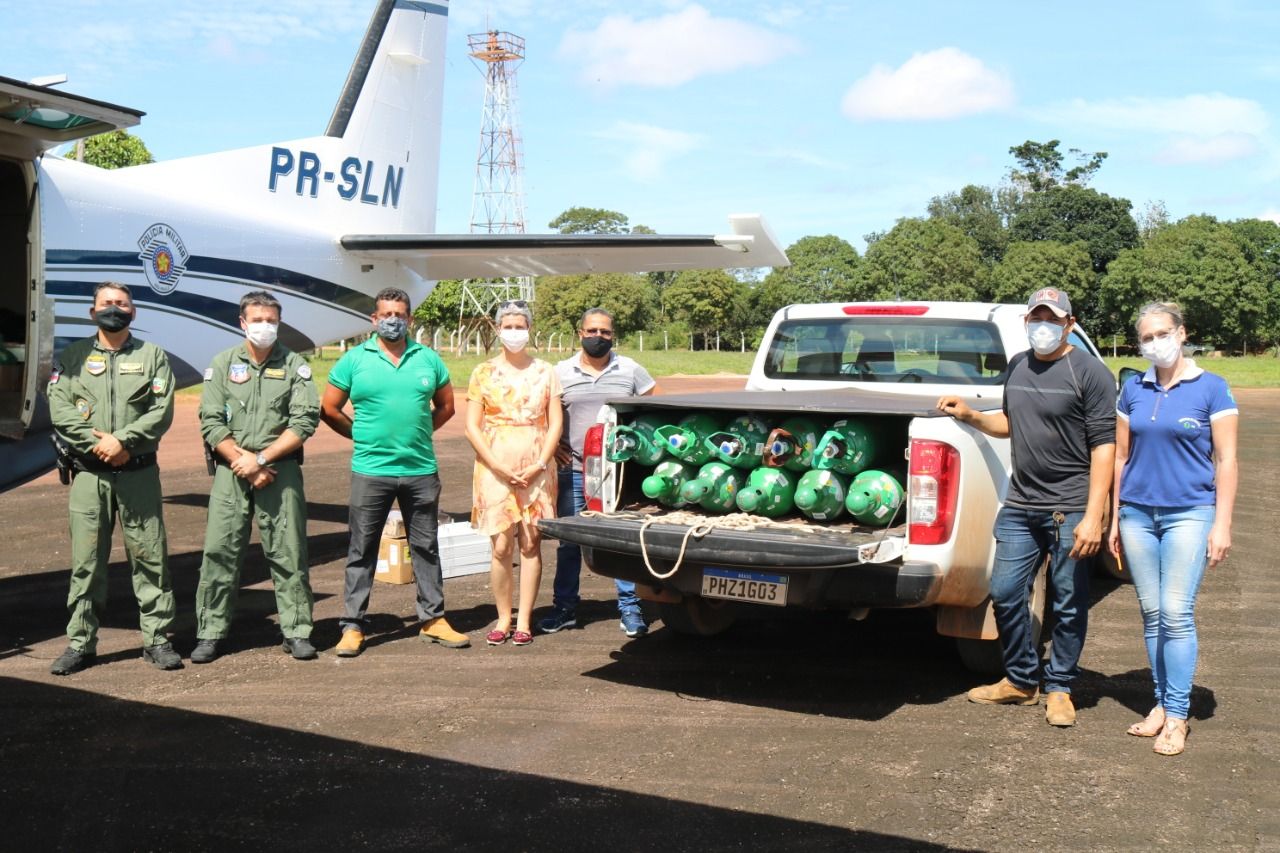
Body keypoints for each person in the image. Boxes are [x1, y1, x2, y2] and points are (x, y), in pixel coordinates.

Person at [937, 287, 1116, 727]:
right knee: (1003, 591)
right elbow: (1011, 421)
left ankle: (1059, 687)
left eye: (1052, 319)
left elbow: (1105, 447)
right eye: (1036, 317)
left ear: (1069, 323)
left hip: (1070, 507)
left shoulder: (1090, 373)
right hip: (1020, 502)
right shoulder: (1018, 365)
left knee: (1069, 601)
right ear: (1026, 322)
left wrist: (1095, 515)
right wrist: (971, 416)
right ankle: (1021, 680)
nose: (1043, 326)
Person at [1108, 302, 1237, 756]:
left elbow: (1227, 460)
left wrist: (1221, 524)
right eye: (1146, 337)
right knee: (1152, 613)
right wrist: (1114, 514)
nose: (1155, 343)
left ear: (1182, 334)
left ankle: (1178, 715)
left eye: (1162, 333)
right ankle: (1161, 704)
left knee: (1176, 613)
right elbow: (1121, 457)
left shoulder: (1212, 389)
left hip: (1190, 513)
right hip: (1137, 515)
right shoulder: (1132, 389)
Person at [320, 287, 468, 655]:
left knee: (426, 546)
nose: (393, 320)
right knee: (361, 548)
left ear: (410, 319)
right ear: (374, 319)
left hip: (420, 469)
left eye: (400, 314)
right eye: (386, 314)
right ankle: (353, 625)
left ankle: (433, 619)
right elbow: (329, 408)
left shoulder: (428, 359)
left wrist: (419, 433)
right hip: (371, 470)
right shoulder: (355, 360)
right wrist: (359, 435)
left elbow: (447, 406)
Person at [46, 282, 181, 674]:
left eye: (122, 304)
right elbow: (61, 410)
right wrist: (99, 445)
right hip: (90, 474)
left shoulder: (153, 356)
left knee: (150, 558)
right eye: (106, 303)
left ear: (133, 313)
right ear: (93, 312)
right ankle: (80, 643)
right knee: (86, 562)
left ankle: (157, 640)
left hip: (138, 474)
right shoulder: (72, 357)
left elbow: (161, 410)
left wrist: (123, 440)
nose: (114, 309)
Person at [191, 291, 321, 663]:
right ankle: (210, 632)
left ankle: (297, 630)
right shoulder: (221, 364)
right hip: (232, 472)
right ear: (242, 323)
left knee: (289, 552)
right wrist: (242, 462)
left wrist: (261, 459)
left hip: (280, 471)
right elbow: (211, 420)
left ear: (278, 323)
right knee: (220, 552)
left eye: (271, 320)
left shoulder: (296, 365)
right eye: (257, 319)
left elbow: (304, 420)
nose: (265, 326)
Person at [539, 307, 657, 638]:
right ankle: (564, 608)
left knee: (623, 542)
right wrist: (556, 445)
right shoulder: (560, 372)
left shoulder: (630, 369)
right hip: (574, 471)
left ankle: (630, 606)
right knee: (570, 542)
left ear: (612, 335)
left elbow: (654, 411)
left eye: (604, 332)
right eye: (592, 331)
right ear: (580, 333)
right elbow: (546, 415)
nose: (598, 337)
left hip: (619, 476)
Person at [464, 301, 562, 646]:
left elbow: (554, 423)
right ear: (497, 329)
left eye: (520, 326)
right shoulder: (482, 372)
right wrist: (496, 464)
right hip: (495, 468)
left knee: (531, 543)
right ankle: (503, 617)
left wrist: (539, 464)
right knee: (502, 545)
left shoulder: (546, 371)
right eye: (508, 326)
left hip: (536, 468)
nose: (514, 332)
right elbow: (472, 426)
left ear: (530, 329)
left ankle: (524, 619)